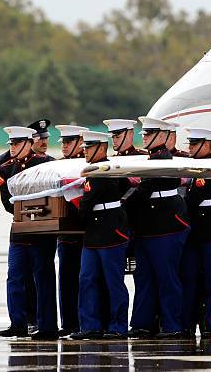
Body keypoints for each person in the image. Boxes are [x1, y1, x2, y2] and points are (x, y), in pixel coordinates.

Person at [126, 116, 190, 339]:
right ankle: (143, 323)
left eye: (149, 134)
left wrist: (124, 206)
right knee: (144, 277)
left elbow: (145, 189)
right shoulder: (152, 158)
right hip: (149, 225)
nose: (144, 137)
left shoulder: (163, 158)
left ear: (162, 136)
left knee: (166, 277)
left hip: (165, 225)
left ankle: (172, 324)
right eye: (144, 133)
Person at [0, 126, 58, 340]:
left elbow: (54, 196)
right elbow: (6, 202)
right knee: (14, 277)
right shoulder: (6, 169)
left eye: (16, 144)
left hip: (42, 231)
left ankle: (47, 325)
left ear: (28, 143)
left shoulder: (47, 164)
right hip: (21, 231)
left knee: (44, 277)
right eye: (10, 144)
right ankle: (18, 323)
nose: (12, 148)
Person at [70, 131, 131, 340]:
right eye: (85, 147)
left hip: (110, 231)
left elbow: (88, 201)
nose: (84, 151)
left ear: (102, 149)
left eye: (89, 148)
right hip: (96, 233)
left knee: (114, 282)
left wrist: (79, 213)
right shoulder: (99, 171)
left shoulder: (103, 171)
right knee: (87, 279)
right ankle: (90, 326)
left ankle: (118, 326)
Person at [182, 128, 211, 338]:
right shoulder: (196, 170)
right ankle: (190, 322)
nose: (190, 148)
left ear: (206, 145)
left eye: (193, 144)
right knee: (190, 279)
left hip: (210, 231)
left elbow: (194, 198)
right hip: (196, 232)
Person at [54, 124, 88, 338]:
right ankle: (68, 323)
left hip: (85, 231)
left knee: (86, 280)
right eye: (63, 142)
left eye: (68, 142)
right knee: (66, 280)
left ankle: (86, 322)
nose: (64, 146)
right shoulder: (56, 166)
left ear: (79, 144)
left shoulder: (87, 166)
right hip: (66, 233)